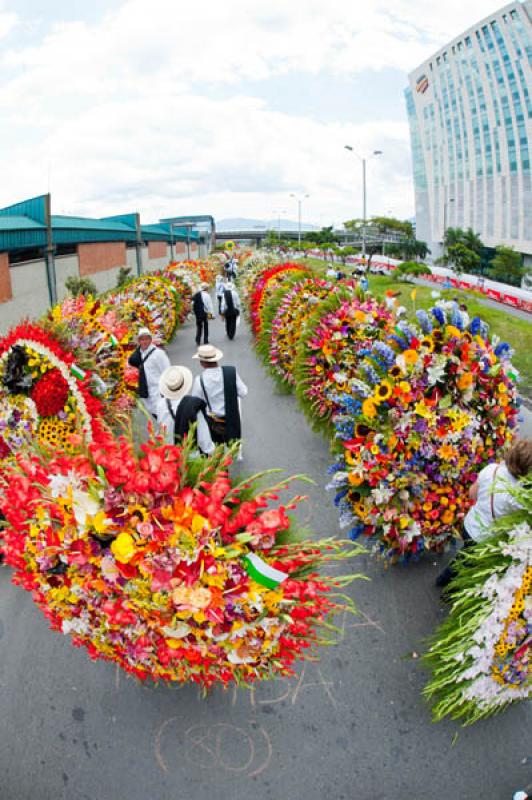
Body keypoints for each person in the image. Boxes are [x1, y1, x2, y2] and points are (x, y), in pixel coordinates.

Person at [436, 439, 532, 588]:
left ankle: (444, 580)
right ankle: (446, 585)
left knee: (464, 554)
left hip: (469, 524)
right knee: (465, 561)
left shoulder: (492, 469)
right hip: (485, 538)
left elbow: (472, 494)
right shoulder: (519, 496)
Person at [191, 344, 247, 453]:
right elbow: (243, 392)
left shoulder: (199, 380)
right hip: (231, 419)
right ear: (216, 359)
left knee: (217, 453)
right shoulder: (231, 372)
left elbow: (195, 403)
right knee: (232, 448)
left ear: (202, 363)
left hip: (212, 422)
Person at [156, 365, 214, 455]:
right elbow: (204, 437)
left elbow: (161, 429)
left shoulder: (160, 405)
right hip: (189, 456)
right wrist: (211, 451)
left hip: (169, 454)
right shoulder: (192, 405)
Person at [127, 327, 170, 419]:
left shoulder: (158, 353)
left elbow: (167, 371)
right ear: (139, 341)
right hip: (146, 391)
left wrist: (168, 390)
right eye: (142, 339)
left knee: (164, 415)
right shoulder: (140, 354)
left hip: (159, 391)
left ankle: (167, 431)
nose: (144, 341)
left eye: (147, 339)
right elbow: (131, 361)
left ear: (151, 339)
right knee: (154, 413)